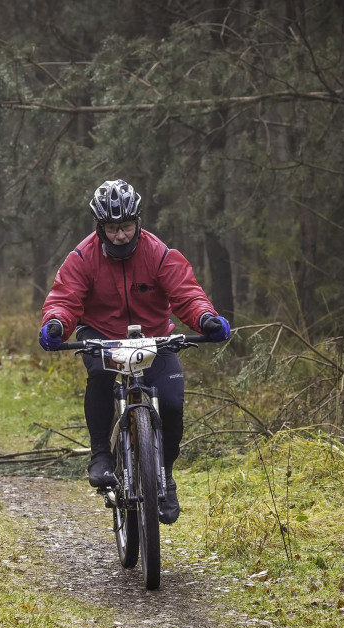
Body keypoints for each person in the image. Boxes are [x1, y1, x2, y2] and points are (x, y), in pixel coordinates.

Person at [39, 179, 231, 524]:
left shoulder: (159, 253)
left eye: (126, 226)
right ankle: (101, 456)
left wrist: (206, 319)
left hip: (154, 339)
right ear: (100, 227)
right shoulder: (82, 258)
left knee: (172, 402)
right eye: (112, 228)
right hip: (102, 336)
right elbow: (64, 299)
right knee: (100, 375)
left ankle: (164, 477)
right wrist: (55, 324)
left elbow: (186, 293)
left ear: (138, 222)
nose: (121, 235)